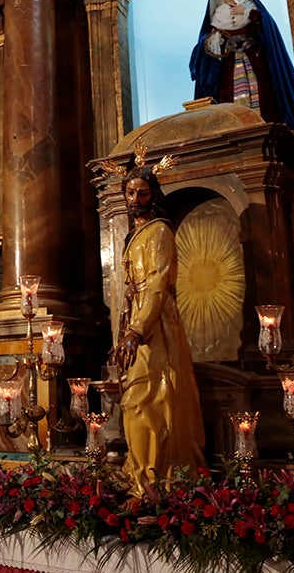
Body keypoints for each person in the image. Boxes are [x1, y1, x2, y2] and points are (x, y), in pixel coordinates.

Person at [111, 160, 207, 497]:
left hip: (156, 327)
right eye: (130, 191)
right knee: (135, 399)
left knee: (148, 398)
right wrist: (125, 329)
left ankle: (155, 479)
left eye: (142, 192)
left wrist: (137, 331)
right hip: (138, 322)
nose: (135, 198)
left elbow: (155, 284)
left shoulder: (159, 232)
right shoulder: (135, 235)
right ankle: (141, 474)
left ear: (153, 195)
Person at [188, 0, 294, 130]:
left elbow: (266, 25)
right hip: (231, 63)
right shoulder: (218, 15)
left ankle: (266, 124)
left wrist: (247, 12)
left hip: (255, 59)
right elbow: (207, 42)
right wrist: (214, 39)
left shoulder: (248, 4)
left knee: (262, 92)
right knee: (232, 95)